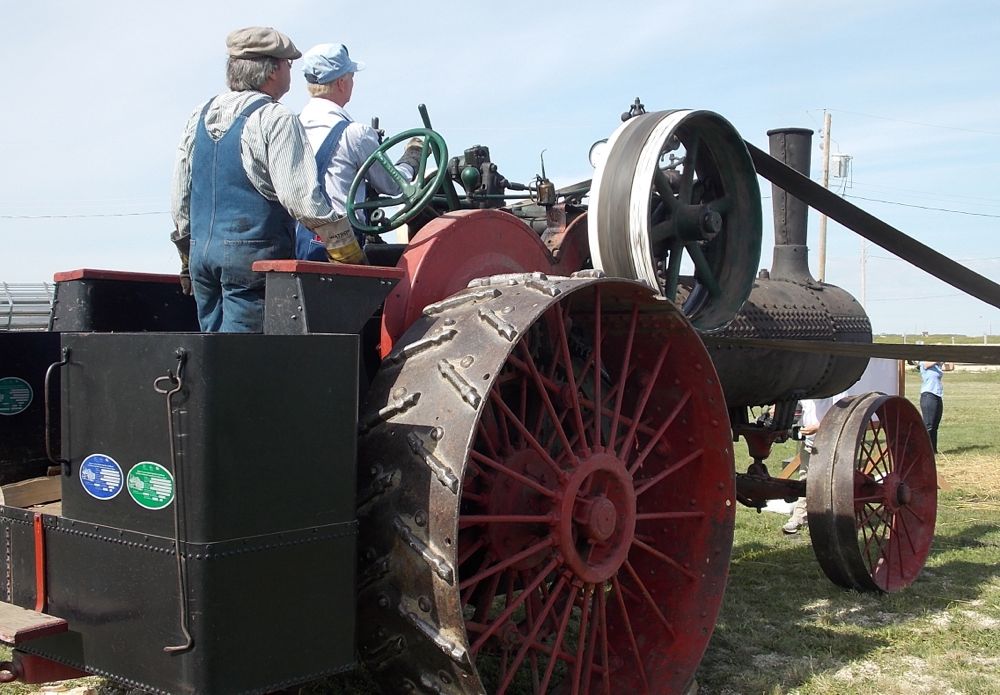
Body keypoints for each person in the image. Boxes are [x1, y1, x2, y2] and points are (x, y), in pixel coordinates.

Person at [171, 27, 364, 333]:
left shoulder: (199, 116)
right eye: (288, 64)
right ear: (273, 71)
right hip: (251, 264)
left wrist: (186, 257)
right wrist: (349, 255)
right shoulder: (275, 118)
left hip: (201, 260)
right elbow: (304, 202)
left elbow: (181, 198)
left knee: (212, 351)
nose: (291, 70)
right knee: (244, 361)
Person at [297, 43, 423, 243]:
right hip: (343, 246)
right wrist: (413, 157)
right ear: (341, 83)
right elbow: (393, 185)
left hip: (299, 241)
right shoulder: (355, 134)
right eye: (352, 77)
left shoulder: (293, 127)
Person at [782, 394, 844, 534]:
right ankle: (798, 518)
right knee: (805, 479)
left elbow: (842, 417)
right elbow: (798, 412)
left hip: (830, 441)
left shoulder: (837, 390)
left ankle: (831, 517)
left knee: (829, 482)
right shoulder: (808, 390)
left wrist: (818, 427)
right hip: (809, 442)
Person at [919, 361, 945, 453]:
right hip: (928, 395)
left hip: (937, 395)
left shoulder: (937, 366)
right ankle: (924, 450)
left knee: (935, 425)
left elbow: (951, 367)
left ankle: (933, 450)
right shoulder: (923, 363)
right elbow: (926, 364)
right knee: (928, 425)